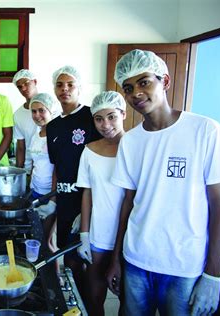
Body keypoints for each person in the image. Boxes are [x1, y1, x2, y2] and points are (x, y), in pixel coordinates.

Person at [106, 49, 220, 316]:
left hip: (184, 267)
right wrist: (116, 258)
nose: (136, 94)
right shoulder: (130, 141)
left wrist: (213, 275)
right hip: (136, 260)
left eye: (144, 82)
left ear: (164, 81)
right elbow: (127, 203)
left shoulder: (205, 131)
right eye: (128, 88)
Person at [46, 65, 102, 307]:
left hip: (91, 204)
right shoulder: (53, 126)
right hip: (66, 204)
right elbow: (57, 166)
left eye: (70, 84)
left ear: (80, 87)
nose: (65, 89)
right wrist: (54, 200)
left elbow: (104, 160)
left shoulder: (92, 117)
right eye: (60, 84)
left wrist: (93, 207)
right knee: (70, 265)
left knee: (92, 273)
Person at [75, 91, 126, 316]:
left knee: (128, 300)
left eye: (112, 116)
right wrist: (84, 234)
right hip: (98, 235)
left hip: (128, 238)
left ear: (123, 113)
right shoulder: (89, 151)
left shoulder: (136, 147)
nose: (105, 124)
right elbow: (87, 192)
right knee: (94, 297)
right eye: (99, 118)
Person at [27, 92, 58, 252]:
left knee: (45, 241)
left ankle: (55, 277)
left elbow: (58, 169)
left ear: (51, 110)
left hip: (49, 195)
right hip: (35, 193)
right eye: (34, 111)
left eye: (41, 110)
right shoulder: (36, 134)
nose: (37, 115)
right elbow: (34, 163)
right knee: (35, 238)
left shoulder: (56, 135)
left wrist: (53, 200)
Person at [12, 69, 39, 174]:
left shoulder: (51, 108)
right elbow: (20, 147)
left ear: (35, 82)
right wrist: (18, 172)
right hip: (27, 169)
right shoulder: (18, 114)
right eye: (19, 86)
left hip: (46, 169)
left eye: (26, 83)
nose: (23, 88)